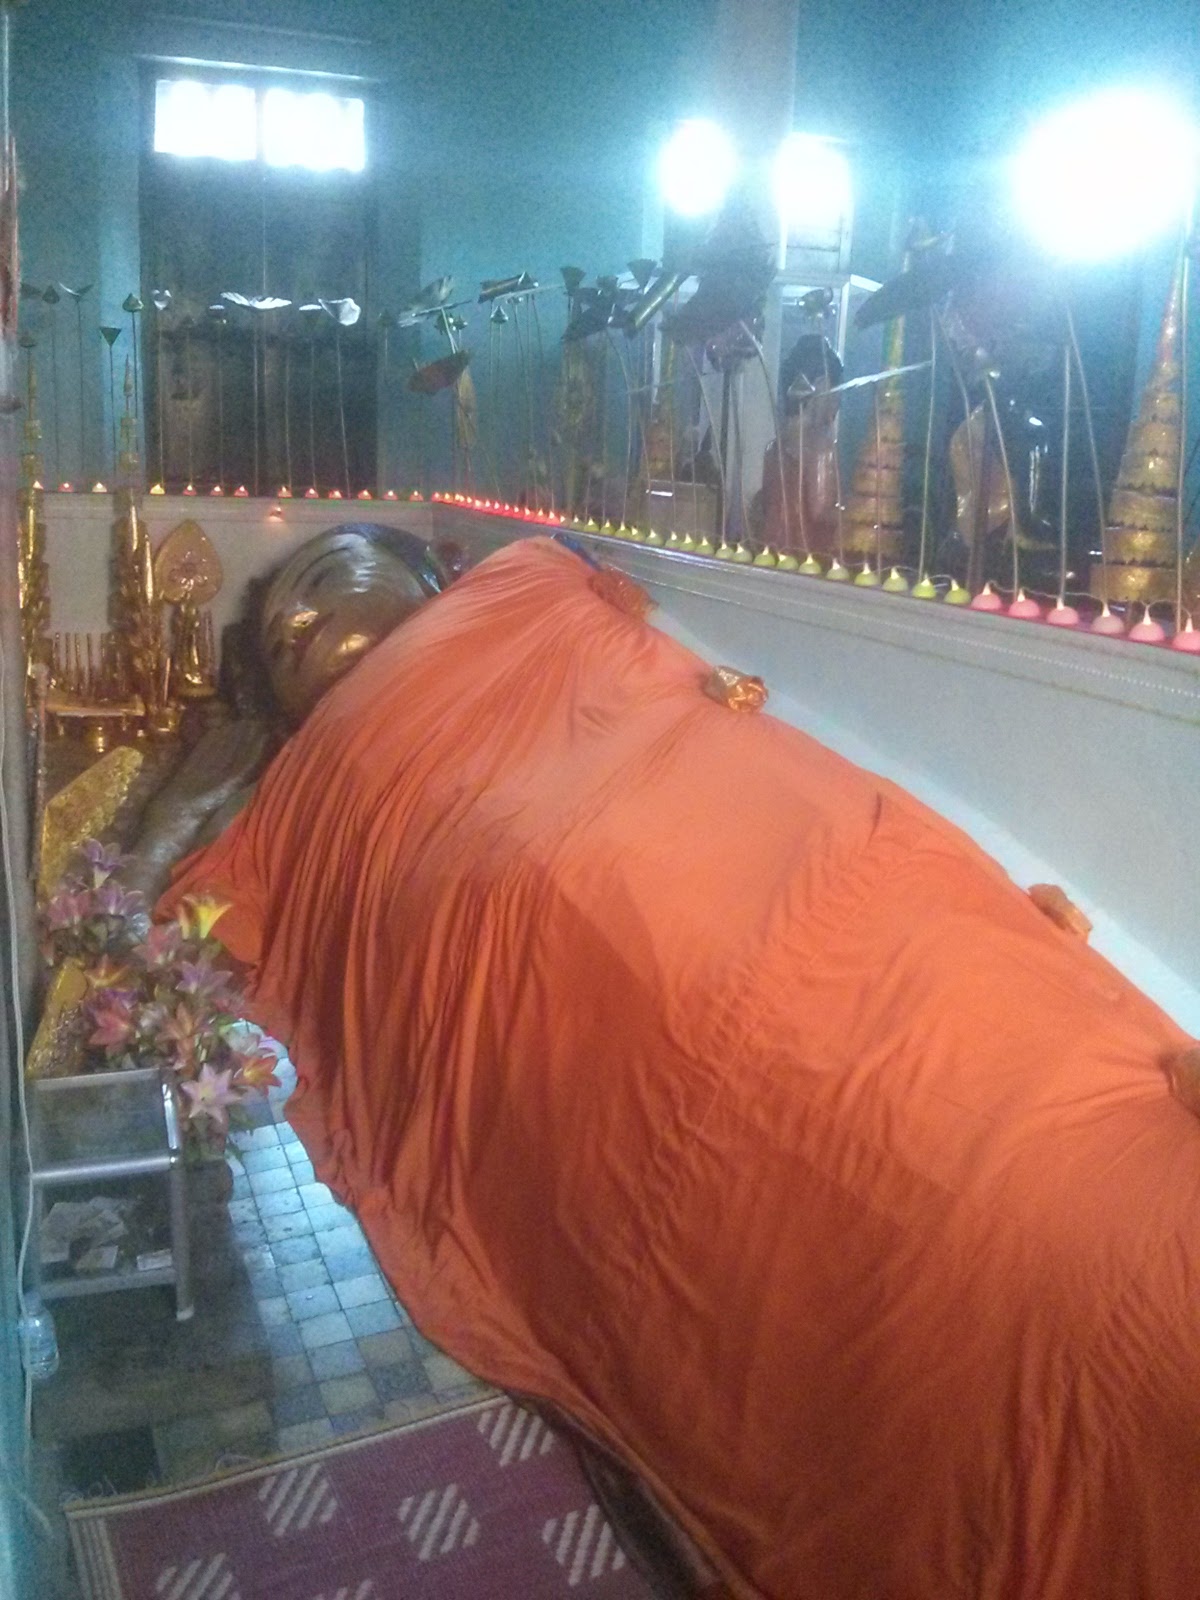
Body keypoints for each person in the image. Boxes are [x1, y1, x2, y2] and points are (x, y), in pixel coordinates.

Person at [136, 522, 1200, 1599]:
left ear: (428, 578)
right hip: (567, 875)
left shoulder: (525, 598)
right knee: (812, 1099)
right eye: (288, 638)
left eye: (328, 580)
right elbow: (223, 884)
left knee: (929, 981)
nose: (311, 619)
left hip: (779, 835)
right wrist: (219, 797)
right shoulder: (333, 764)